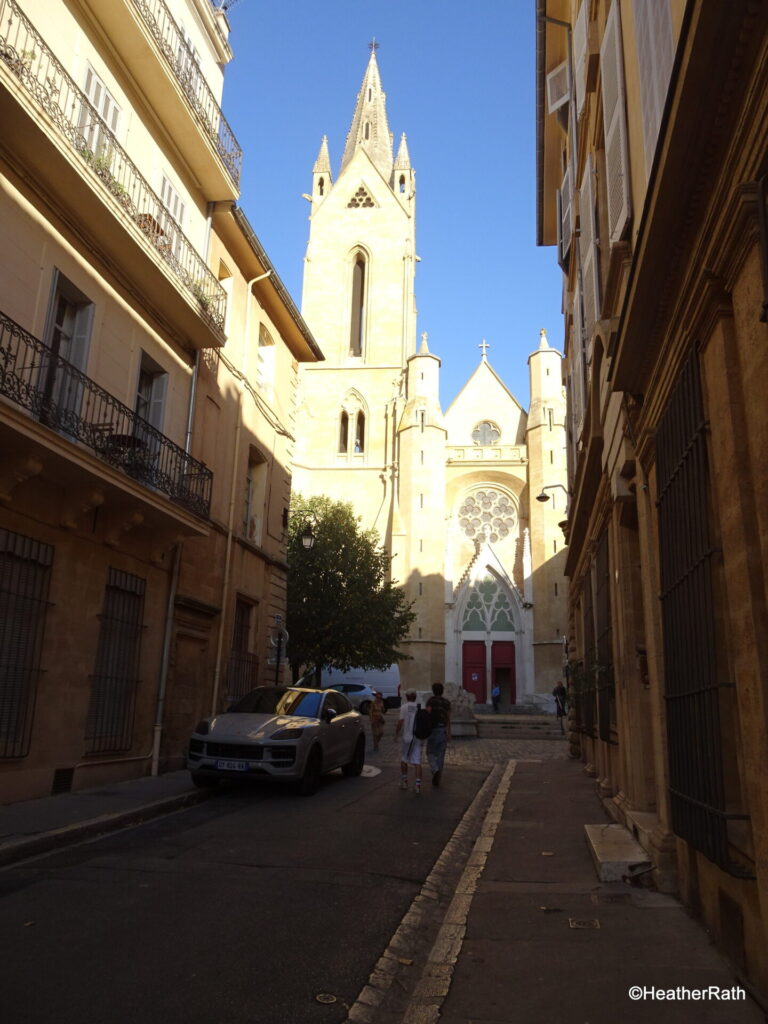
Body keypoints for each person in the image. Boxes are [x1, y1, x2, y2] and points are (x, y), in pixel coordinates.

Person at [394, 689, 423, 793]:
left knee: (404, 758)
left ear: (406, 697)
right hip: (418, 737)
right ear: (415, 697)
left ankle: (405, 781)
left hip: (407, 737)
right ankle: (418, 785)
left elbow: (400, 722)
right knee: (417, 761)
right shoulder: (419, 707)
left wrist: (396, 734)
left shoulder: (404, 707)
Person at [426, 682, 451, 787]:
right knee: (441, 754)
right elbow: (448, 718)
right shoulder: (447, 702)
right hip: (442, 729)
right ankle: (438, 775)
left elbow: (427, 715)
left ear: (433, 690)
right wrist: (449, 732)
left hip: (432, 729)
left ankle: (434, 769)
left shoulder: (430, 701)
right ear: (442, 690)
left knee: (430, 752)